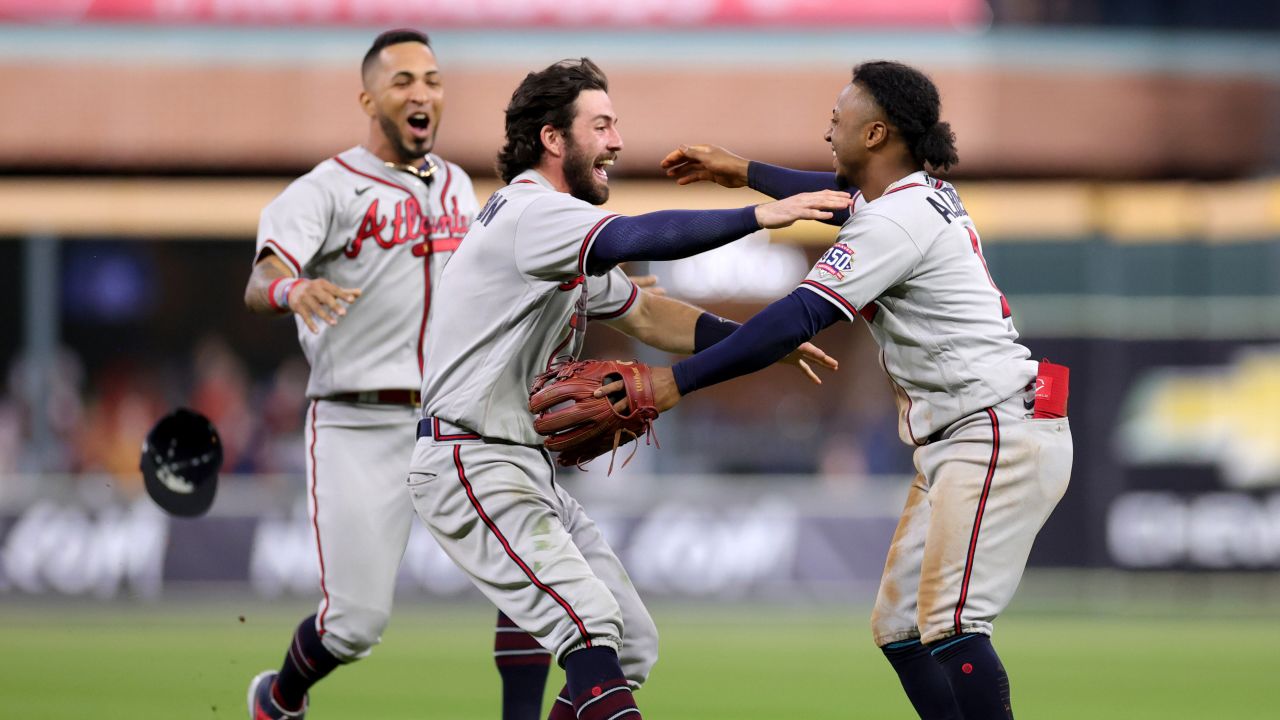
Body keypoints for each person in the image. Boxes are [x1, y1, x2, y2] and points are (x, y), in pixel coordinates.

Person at [407, 57, 846, 720]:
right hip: (470, 456)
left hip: (519, 462)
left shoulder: (553, 229)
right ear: (554, 139)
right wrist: (761, 214)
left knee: (631, 643)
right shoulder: (534, 214)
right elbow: (643, 234)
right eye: (602, 125)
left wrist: (754, 342)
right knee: (588, 626)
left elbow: (646, 313)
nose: (616, 141)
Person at [648, 60, 1074, 719]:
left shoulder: (893, 222)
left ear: (876, 134)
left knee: (953, 625)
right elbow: (837, 195)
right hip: (970, 432)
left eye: (837, 119)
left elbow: (794, 318)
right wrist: (747, 172)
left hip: (994, 431)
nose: (828, 131)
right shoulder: (911, 195)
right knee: (900, 630)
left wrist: (677, 381)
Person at [241, 29, 552, 720]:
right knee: (353, 624)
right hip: (358, 420)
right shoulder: (326, 187)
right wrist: (292, 290)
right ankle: (279, 697)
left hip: (455, 420)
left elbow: (493, 280)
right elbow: (262, 278)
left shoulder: (457, 185)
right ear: (369, 96)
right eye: (404, 80)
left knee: (530, 577)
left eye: (433, 80)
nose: (422, 93)